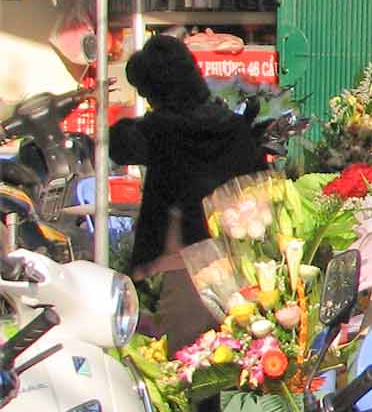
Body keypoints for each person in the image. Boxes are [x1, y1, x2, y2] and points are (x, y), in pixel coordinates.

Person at [109, 34, 268, 353]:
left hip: (179, 265)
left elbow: (118, 143)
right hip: (235, 259)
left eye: (147, 93)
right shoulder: (233, 127)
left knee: (184, 366)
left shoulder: (161, 131)